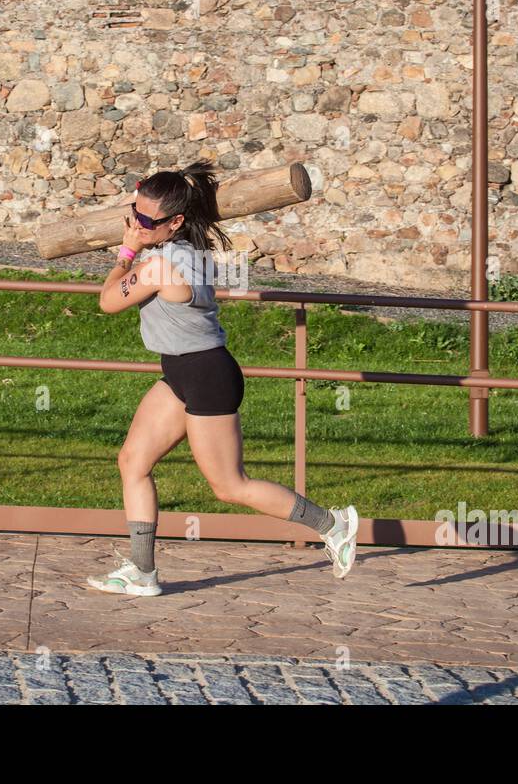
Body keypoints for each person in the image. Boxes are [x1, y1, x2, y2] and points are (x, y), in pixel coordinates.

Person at [89, 159, 358, 596]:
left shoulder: (159, 266)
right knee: (132, 462)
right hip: (181, 371)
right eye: (131, 214)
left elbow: (107, 301)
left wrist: (125, 250)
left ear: (175, 221)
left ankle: (332, 523)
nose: (136, 224)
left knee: (230, 485)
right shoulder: (187, 252)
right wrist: (142, 242)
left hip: (206, 376)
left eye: (143, 220)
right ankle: (142, 572)